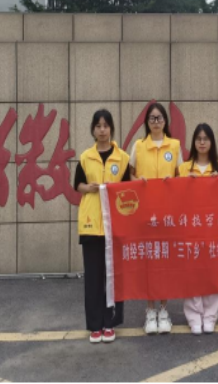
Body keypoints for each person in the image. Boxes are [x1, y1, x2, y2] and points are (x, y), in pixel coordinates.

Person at [75, 109, 131, 344]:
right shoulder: (85, 157)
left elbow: (128, 189)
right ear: (93, 129)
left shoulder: (123, 158)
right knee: (94, 278)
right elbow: (77, 184)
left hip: (114, 226)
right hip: (91, 225)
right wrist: (88, 188)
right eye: (98, 126)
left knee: (113, 277)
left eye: (106, 125)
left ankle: (110, 323)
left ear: (111, 129)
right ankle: (95, 325)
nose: (102, 130)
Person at [129, 103, 183, 335]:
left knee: (165, 261)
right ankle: (150, 310)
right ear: (147, 122)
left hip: (167, 213)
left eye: (159, 118)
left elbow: (181, 177)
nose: (156, 122)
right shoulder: (139, 146)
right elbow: (129, 174)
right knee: (149, 261)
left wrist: (173, 182)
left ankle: (164, 309)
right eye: (152, 118)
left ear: (165, 121)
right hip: (146, 212)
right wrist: (138, 180)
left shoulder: (175, 145)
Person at [178, 124, 218, 335]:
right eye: (198, 138)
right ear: (193, 142)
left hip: (214, 227)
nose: (202, 142)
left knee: (212, 272)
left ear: (211, 142)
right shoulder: (183, 168)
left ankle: (210, 316)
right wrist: (186, 185)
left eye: (206, 138)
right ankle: (193, 316)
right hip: (191, 227)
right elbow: (176, 199)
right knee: (192, 272)